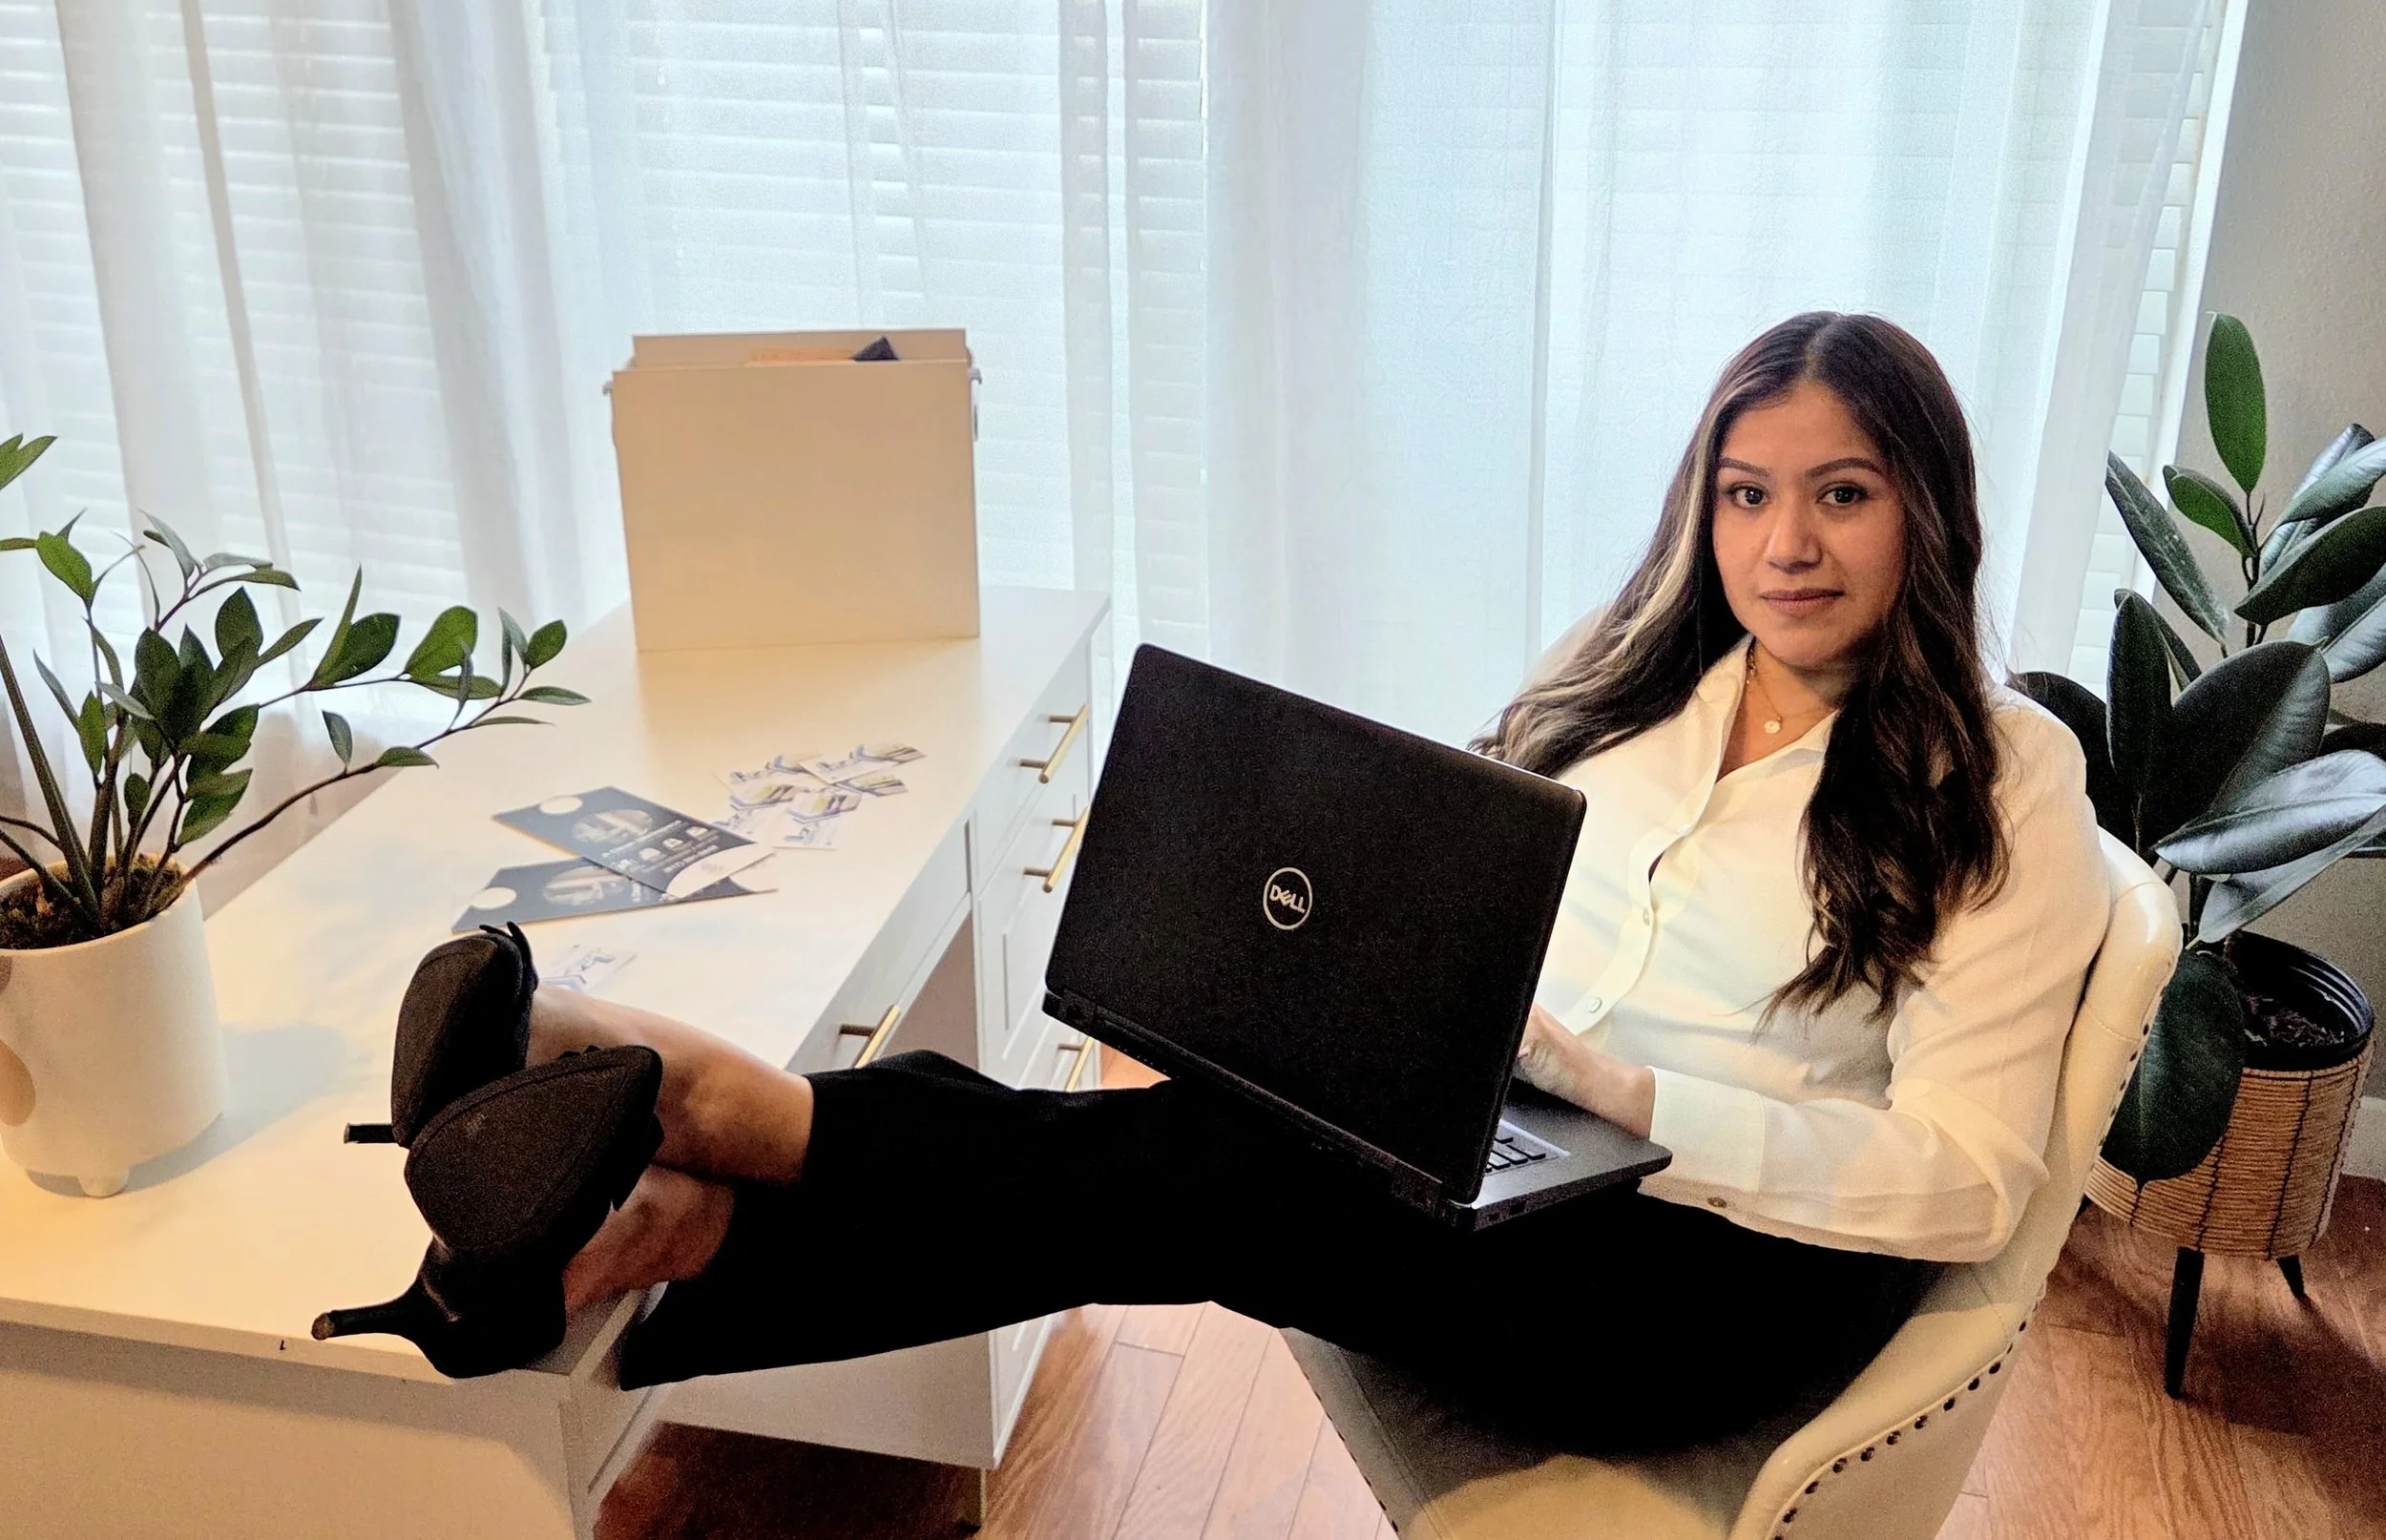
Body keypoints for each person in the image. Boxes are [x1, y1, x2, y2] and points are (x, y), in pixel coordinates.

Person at [318, 311, 2109, 1450]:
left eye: (1842, 494)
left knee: (1218, 1174)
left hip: (1720, 1281)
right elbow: (1470, 891)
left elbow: (1965, 1180)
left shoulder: (2006, 776)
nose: (1782, 544)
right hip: (1518, 1150)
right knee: (1206, 1135)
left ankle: (725, 1141)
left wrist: (1638, 1097)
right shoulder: (1639, 686)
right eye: (1744, 493)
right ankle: (686, 1232)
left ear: (1925, 509)